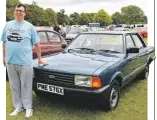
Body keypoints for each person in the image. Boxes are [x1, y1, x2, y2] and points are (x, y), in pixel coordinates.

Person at [1, 3, 47, 118]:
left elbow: (37, 44)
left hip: (25, 62)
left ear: (24, 13)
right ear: (14, 12)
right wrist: (3, 57)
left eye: (21, 11)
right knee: (14, 86)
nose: (18, 12)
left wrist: (40, 58)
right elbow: (4, 42)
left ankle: (28, 108)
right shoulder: (8, 25)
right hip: (11, 61)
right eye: (17, 10)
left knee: (26, 86)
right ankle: (18, 107)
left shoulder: (29, 26)